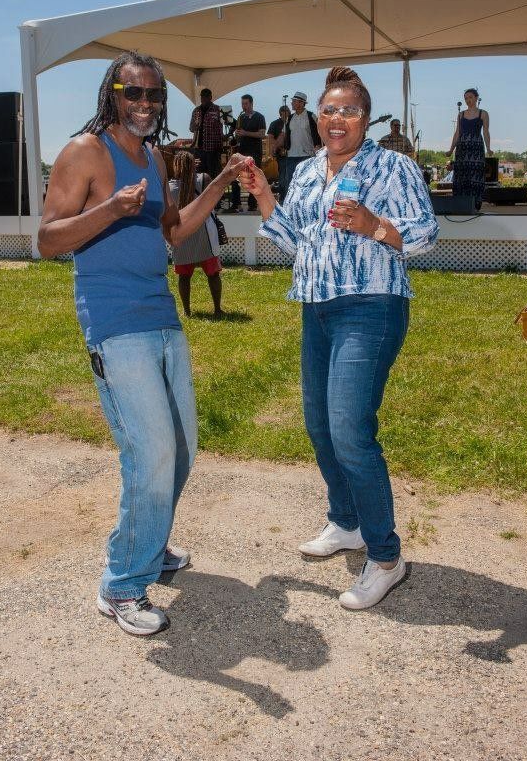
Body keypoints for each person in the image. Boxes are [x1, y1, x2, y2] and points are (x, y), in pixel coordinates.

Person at [38, 51, 246, 636]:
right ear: (113, 94)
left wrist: (225, 180)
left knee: (181, 447)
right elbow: (48, 240)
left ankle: (149, 545)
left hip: (161, 317)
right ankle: (122, 584)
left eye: (154, 95)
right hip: (113, 319)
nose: (145, 104)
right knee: (149, 451)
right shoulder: (85, 152)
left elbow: (175, 230)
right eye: (134, 93)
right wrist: (109, 208)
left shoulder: (153, 156)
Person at [238, 66, 438, 611]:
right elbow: (292, 238)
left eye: (349, 110)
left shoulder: (391, 166)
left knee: (350, 430)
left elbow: (423, 233)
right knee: (321, 426)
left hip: (371, 307)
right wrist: (260, 192)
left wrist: (375, 224)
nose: (337, 119)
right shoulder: (306, 173)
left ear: (365, 118)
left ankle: (386, 557)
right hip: (316, 308)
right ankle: (346, 522)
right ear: (316, 117)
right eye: (329, 110)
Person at [169, 150, 223, 318]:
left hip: (182, 234)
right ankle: (217, 309)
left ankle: (187, 311)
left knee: (184, 277)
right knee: (213, 274)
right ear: (194, 164)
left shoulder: (169, 187)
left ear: (175, 166)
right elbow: (215, 199)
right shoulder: (203, 179)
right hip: (204, 232)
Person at [446, 88, 491, 210]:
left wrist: (488, 148)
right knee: (461, 175)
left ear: (476, 98)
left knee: (475, 175)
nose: (468, 100)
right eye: (466, 98)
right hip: (462, 148)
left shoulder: (483, 113)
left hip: (476, 147)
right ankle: (461, 204)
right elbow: (457, 133)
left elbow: (486, 132)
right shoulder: (461, 115)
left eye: (470, 97)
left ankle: (476, 205)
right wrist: (451, 150)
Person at [230, 93, 265, 212]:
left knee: (254, 178)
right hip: (242, 151)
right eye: (242, 104)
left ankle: (252, 204)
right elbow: (238, 134)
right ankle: (236, 203)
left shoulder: (259, 117)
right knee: (235, 177)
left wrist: (246, 133)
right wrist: (237, 136)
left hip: (255, 152)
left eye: (245, 104)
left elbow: (261, 134)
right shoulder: (241, 117)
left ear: (251, 103)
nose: (243, 106)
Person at [283, 91, 321, 196]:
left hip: (308, 155)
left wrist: (318, 146)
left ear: (301, 103)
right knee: (290, 181)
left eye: (294, 101)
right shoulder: (289, 118)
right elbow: (284, 134)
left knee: (307, 181)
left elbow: (320, 131)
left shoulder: (311, 116)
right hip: (291, 155)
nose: (292, 104)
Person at [189, 88, 223, 181]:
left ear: (210, 97)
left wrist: (227, 136)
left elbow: (230, 122)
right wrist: (196, 126)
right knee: (199, 176)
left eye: (205, 97)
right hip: (199, 150)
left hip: (213, 150)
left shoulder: (218, 109)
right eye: (202, 97)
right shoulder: (196, 110)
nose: (203, 99)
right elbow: (191, 128)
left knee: (214, 176)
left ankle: (216, 195)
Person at [267, 105, 292, 202]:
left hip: (293, 153)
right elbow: (270, 137)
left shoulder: (292, 122)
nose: (287, 115)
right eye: (285, 113)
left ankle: (289, 198)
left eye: (288, 112)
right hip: (281, 153)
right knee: (283, 176)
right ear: (280, 113)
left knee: (291, 176)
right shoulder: (275, 124)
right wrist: (273, 149)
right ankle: (282, 198)